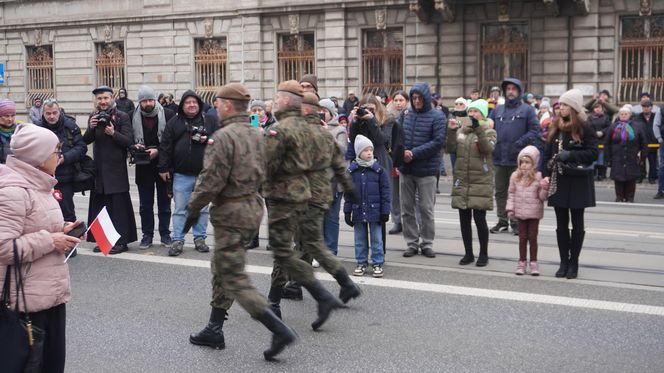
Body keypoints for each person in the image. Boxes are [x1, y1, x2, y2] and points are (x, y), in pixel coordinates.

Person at [184, 83, 296, 361]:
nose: (216, 108)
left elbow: (210, 181)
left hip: (231, 212)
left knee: (233, 277)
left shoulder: (223, 138)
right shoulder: (259, 135)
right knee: (223, 268)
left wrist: (192, 209)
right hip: (252, 208)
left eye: (218, 104)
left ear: (226, 105)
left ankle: (277, 327)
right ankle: (214, 327)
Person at [0, 123, 84, 373]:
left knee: (51, 364)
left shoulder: (41, 183)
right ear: (37, 158)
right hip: (27, 303)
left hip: (50, 295)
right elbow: (3, 247)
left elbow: (36, 227)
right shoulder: (14, 191)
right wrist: (51, 241)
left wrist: (63, 230)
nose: (59, 156)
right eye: (54, 151)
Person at [263, 80, 344, 330]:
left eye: (278, 96)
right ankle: (302, 292)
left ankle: (279, 301)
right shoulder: (311, 130)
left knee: (284, 249)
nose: (276, 100)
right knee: (301, 247)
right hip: (307, 195)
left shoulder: (285, 129)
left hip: (289, 196)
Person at [542, 89, 599, 280]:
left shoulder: (585, 126)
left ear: (573, 107)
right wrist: (545, 173)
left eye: (565, 105)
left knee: (577, 223)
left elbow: (592, 154)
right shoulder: (556, 125)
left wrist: (571, 155)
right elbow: (548, 151)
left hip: (578, 180)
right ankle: (563, 261)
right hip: (560, 179)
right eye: (560, 105)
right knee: (560, 224)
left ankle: (574, 262)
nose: (561, 108)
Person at [158, 90, 218, 256]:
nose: (191, 105)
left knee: (203, 209)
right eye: (187, 102)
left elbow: (221, 141)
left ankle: (200, 239)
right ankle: (178, 240)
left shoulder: (210, 120)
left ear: (199, 104)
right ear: (182, 105)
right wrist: (163, 168)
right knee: (180, 209)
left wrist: (209, 139)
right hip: (181, 174)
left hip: (204, 174)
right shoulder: (174, 122)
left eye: (194, 102)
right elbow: (165, 146)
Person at [84, 86, 137, 254]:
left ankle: (121, 242)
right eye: (99, 99)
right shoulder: (93, 117)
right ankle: (103, 240)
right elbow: (84, 141)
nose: (103, 102)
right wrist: (91, 128)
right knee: (101, 208)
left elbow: (129, 141)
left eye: (105, 98)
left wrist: (114, 133)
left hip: (116, 171)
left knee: (118, 208)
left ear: (112, 98)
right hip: (99, 171)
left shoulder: (122, 116)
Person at [447, 99, 496, 267]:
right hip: (463, 179)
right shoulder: (462, 130)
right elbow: (450, 148)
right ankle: (468, 253)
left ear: (483, 114)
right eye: (471, 111)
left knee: (480, 219)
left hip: (480, 180)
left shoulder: (489, 131)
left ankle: (484, 254)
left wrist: (478, 130)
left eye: (476, 111)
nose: (473, 114)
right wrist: (451, 132)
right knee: (464, 218)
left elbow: (487, 149)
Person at [488, 78, 540, 236]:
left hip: (520, 160)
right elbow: (489, 128)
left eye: (513, 89)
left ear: (519, 91)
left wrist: (520, 144)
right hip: (499, 158)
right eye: (508, 89)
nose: (510, 91)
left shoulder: (527, 110)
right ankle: (502, 221)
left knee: (519, 191)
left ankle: (517, 222)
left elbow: (534, 130)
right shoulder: (497, 110)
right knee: (500, 191)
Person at [399, 82, 446, 258]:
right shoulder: (406, 114)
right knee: (406, 209)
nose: (416, 101)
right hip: (406, 169)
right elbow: (397, 135)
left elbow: (438, 142)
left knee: (426, 209)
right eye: (414, 98)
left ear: (426, 98)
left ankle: (427, 243)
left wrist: (413, 153)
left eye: (419, 98)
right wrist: (401, 152)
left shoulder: (437, 117)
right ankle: (411, 243)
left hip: (426, 170)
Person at [130, 85, 176, 249]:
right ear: (140, 102)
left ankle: (165, 234)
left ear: (155, 100)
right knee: (145, 204)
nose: (148, 103)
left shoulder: (169, 114)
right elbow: (129, 140)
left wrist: (158, 151)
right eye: (144, 101)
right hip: (143, 167)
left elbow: (171, 141)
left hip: (163, 165)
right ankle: (147, 235)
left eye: (150, 99)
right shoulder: (132, 116)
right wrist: (136, 147)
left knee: (164, 203)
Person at [344, 135, 390, 277]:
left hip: (375, 211)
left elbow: (386, 192)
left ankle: (377, 262)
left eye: (371, 150)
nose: (369, 153)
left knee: (377, 239)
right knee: (359, 239)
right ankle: (361, 262)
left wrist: (385, 211)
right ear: (359, 153)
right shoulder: (352, 171)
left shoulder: (379, 171)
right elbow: (348, 194)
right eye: (366, 150)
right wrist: (347, 211)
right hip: (358, 211)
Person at [38, 98, 88, 222]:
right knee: (44, 216)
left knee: (67, 215)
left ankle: (70, 239)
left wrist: (65, 158)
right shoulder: (36, 129)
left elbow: (81, 148)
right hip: (43, 180)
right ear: (43, 113)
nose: (51, 116)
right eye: (48, 113)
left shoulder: (70, 126)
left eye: (54, 113)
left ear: (59, 111)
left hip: (65, 178)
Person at [506, 145, 549, 276]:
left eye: (527, 162)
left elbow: (542, 198)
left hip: (534, 213)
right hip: (520, 212)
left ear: (534, 163)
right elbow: (511, 193)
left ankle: (534, 263)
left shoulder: (538, 176)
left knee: (532, 238)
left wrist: (544, 188)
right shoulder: (515, 176)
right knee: (522, 238)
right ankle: (522, 262)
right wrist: (510, 208)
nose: (524, 165)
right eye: (522, 162)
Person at [320, 98, 348, 256]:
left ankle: (331, 250)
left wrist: (327, 134)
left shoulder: (339, 129)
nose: (322, 114)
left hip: (334, 181)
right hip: (318, 180)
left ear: (331, 112)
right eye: (320, 111)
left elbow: (342, 150)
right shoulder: (315, 127)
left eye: (324, 111)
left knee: (331, 218)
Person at [605, 105, 648, 203]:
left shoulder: (637, 126)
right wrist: (608, 158)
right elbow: (607, 143)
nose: (623, 116)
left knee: (631, 177)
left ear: (630, 115)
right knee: (618, 177)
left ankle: (630, 197)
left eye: (626, 114)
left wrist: (642, 157)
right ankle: (619, 197)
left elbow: (644, 143)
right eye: (621, 114)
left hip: (632, 156)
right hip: (617, 156)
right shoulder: (613, 127)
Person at [387, 90, 409, 235]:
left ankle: (408, 221)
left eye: (401, 100)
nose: (398, 103)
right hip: (391, 158)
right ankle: (397, 220)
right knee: (393, 193)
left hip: (406, 158)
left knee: (406, 193)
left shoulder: (411, 116)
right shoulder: (387, 116)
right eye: (396, 100)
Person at [632, 99, 659, 184]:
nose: (646, 108)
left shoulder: (656, 116)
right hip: (641, 143)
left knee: (653, 162)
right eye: (644, 106)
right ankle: (640, 176)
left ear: (651, 107)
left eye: (648, 106)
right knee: (641, 161)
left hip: (653, 142)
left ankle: (652, 178)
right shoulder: (637, 117)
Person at [588, 103, 611, 181]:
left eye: (599, 107)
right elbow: (588, 127)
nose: (597, 109)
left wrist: (602, 132)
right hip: (593, 139)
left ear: (602, 108)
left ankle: (601, 174)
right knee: (594, 158)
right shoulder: (590, 117)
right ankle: (593, 174)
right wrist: (595, 133)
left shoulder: (606, 117)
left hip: (603, 140)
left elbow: (609, 127)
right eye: (596, 108)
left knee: (601, 158)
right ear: (593, 109)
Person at [0, 99, 18, 164]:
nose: (10, 119)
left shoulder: (19, 131)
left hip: (14, 169)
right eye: (6, 116)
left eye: (12, 116)